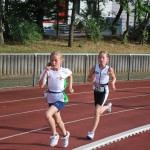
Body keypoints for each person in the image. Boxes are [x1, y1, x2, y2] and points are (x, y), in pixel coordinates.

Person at [39, 51, 74, 148]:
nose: (53, 62)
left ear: (61, 61)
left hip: (60, 98)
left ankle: (55, 135)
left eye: (56, 60)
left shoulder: (64, 71)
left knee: (47, 114)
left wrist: (70, 87)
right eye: (52, 60)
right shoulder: (47, 71)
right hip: (51, 98)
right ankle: (66, 135)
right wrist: (45, 73)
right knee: (58, 121)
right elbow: (41, 85)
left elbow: (70, 75)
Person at [86, 50, 116, 140]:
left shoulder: (109, 69)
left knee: (96, 111)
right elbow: (88, 78)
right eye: (99, 57)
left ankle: (92, 132)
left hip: (104, 91)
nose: (101, 59)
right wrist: (92, 80)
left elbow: (114, 77)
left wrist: (113, 83)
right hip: (96, 90)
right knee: (97, 111)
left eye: (103, 57)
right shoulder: (94, 67)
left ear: (107, 59)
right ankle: (108, 107)